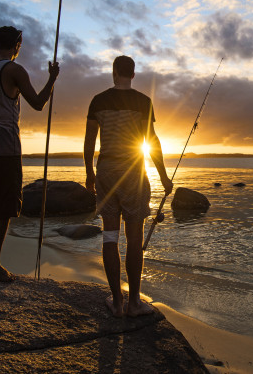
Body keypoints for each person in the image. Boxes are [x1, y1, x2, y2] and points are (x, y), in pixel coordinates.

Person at [84, 55, 173, 316]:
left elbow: (90, 143)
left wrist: (89, 174)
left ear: (114, 73)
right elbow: (152, 142)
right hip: (134, 171)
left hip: (107, 171)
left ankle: (117, 302)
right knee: (135, 239)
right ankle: (134, 303)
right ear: (133, 75)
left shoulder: (98, 100)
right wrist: (164, 176)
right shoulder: (144, 102)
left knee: (109, 236)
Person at [0, 25, 59, 282]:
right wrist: (52, 78)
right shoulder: (14, 69)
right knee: (3, 204)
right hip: (3, 145)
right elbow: (39, 103)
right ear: (17, 44)